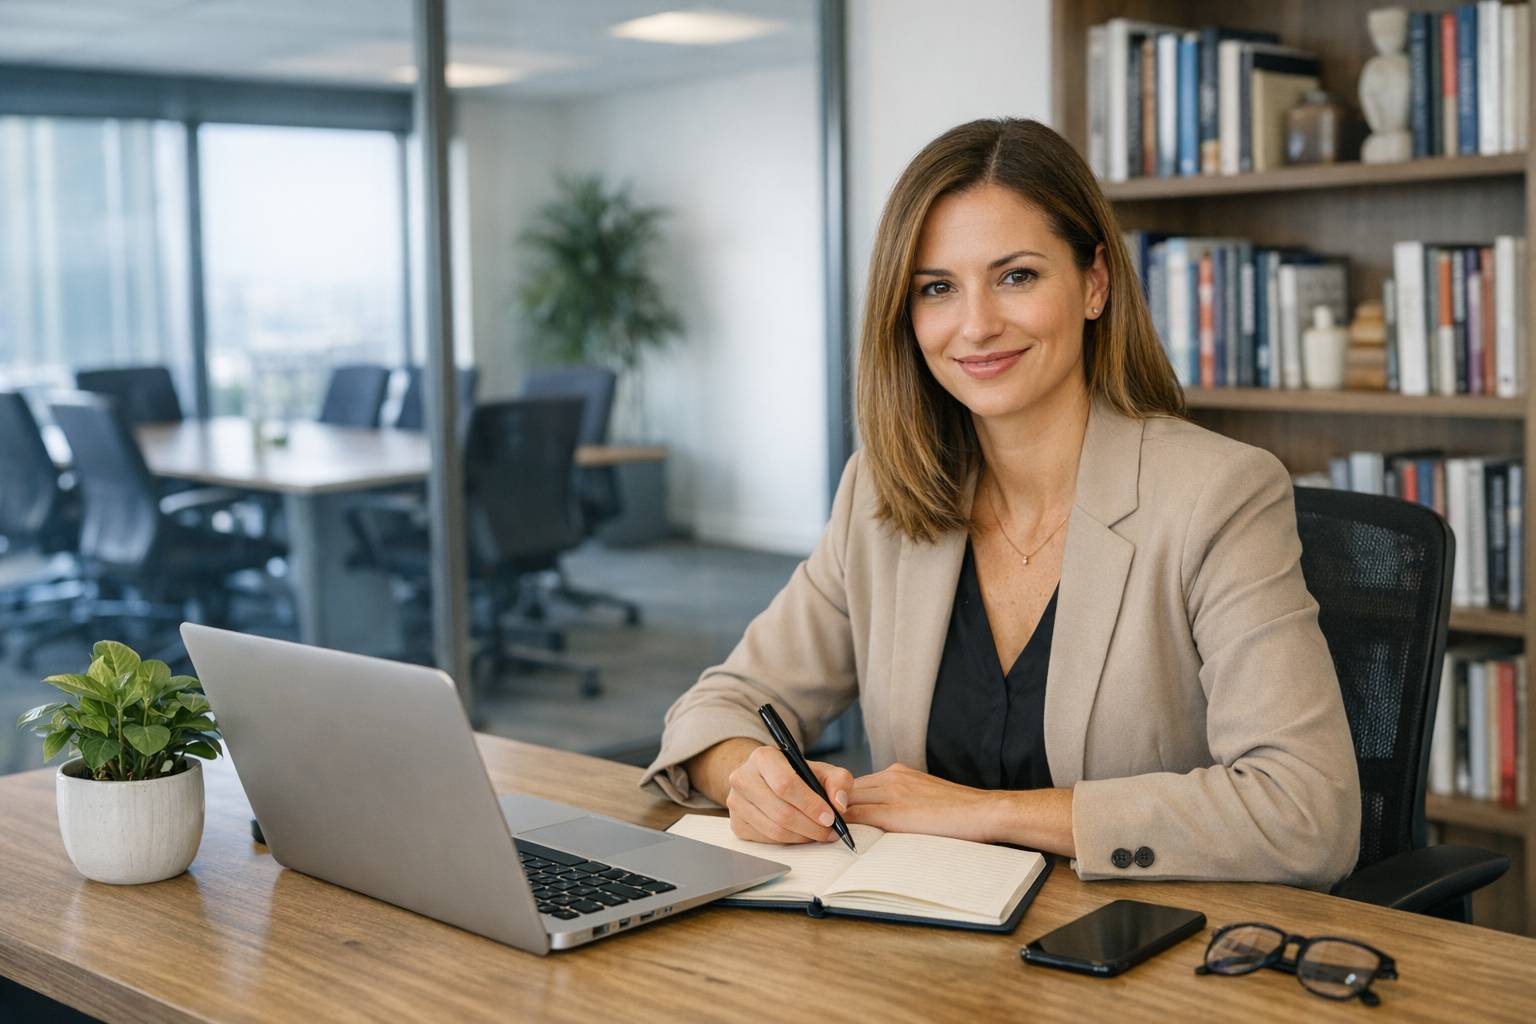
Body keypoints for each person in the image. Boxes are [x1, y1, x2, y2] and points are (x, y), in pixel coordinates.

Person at [641, 118, 1360, 890]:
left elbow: (1306, 812)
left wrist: (984, 812)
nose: (976, 324)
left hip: (1134, 959)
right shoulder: (883, 497)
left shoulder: (1217, 495)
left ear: (1094, 283)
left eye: (1016, 276)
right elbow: (721, 705)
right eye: (938, 288)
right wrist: (746, 772)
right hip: (921, 958)